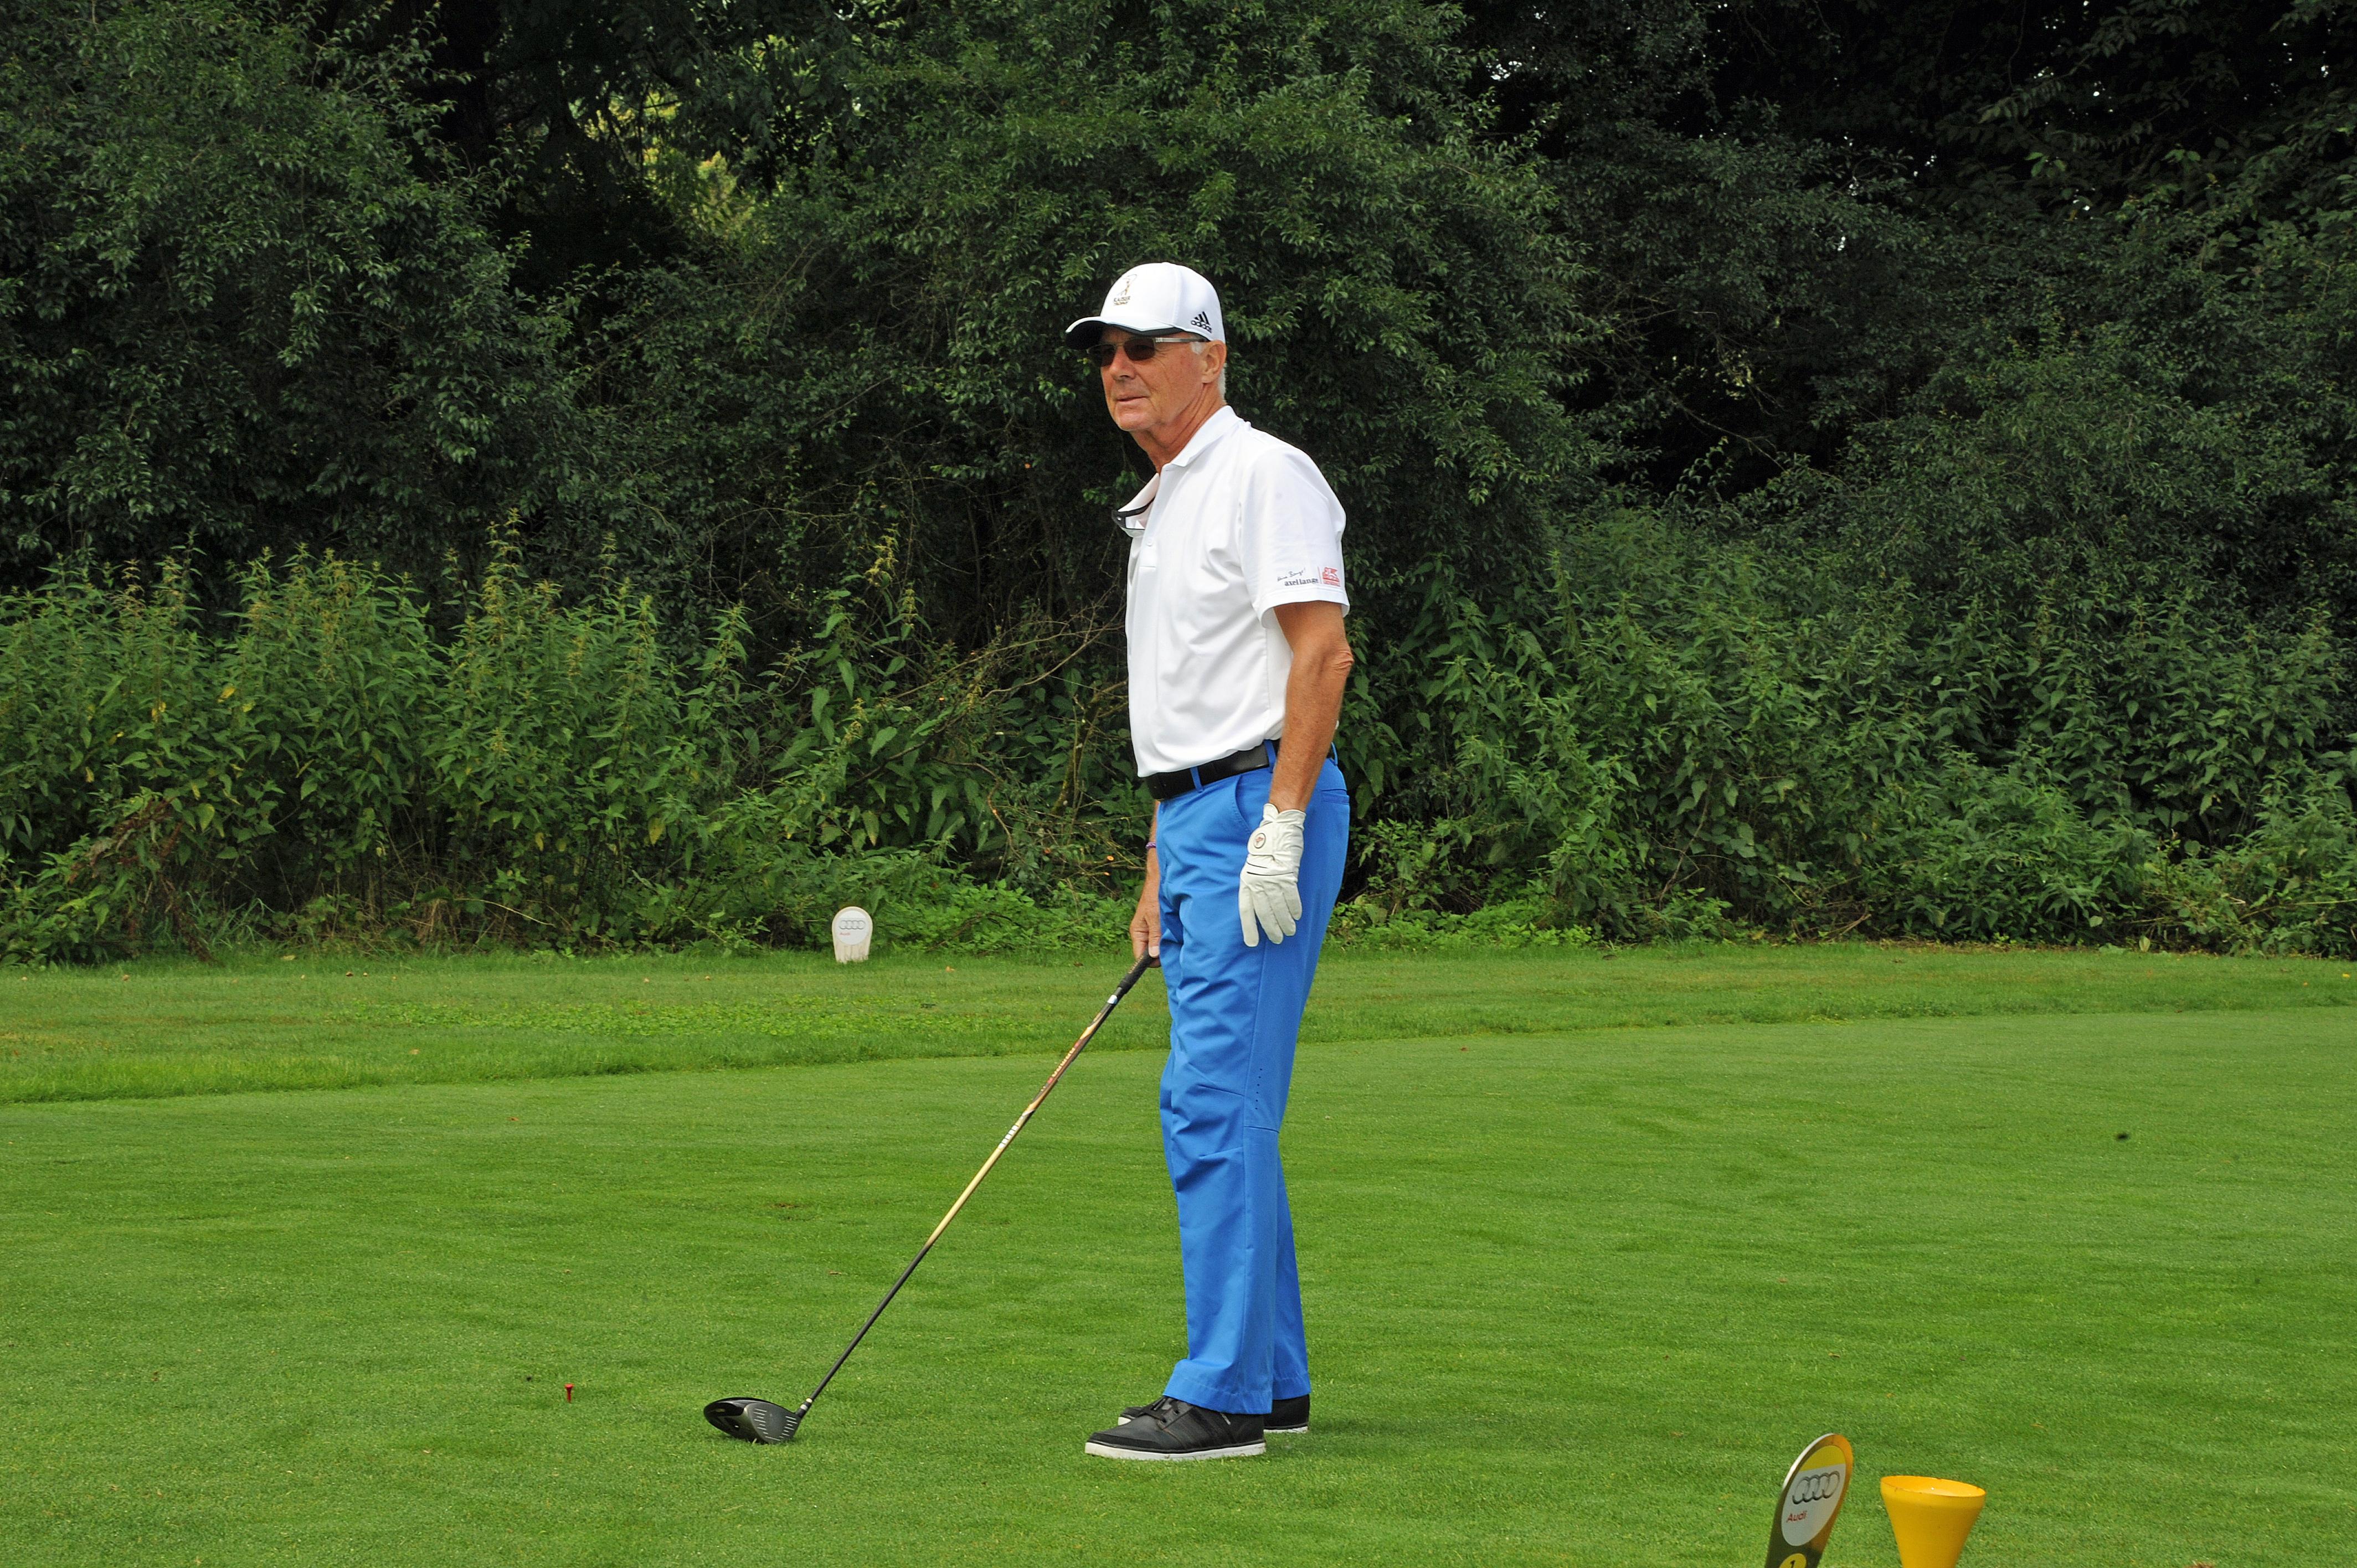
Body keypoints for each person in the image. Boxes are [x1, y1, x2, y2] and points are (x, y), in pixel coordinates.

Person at [1064, 262, 1354, 1462]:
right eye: (1107, 348)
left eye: (1148, 343)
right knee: (1228, 1101)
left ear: (1211, 358)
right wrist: (1155, 864)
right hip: (1195, 816)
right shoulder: (1169, 497)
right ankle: (1269, 1375)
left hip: (1253, 810)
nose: (1121, 365)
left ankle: (1223, 1393)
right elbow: (1188, 700)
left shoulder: (1260, 473)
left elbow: (1321, 656)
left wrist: (1278, 825)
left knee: (1209, 1102)